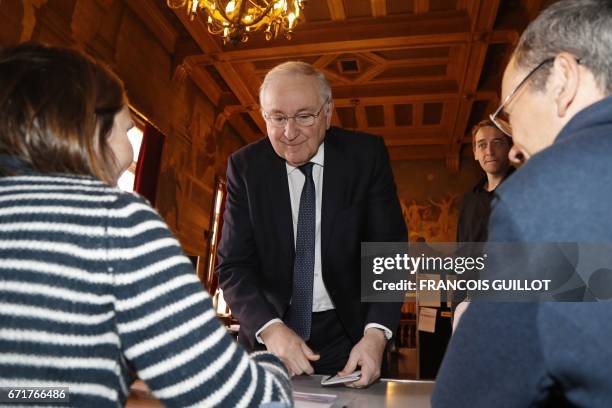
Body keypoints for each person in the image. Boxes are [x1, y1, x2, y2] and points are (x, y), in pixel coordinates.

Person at [0, 43, 292, 408]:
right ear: (90, 129)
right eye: (127, 130)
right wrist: (271, 358)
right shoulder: (115, 223)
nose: (131, 153)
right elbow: (249, 400)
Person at [433, 1, 612, 406]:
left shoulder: (545, 189)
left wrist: (475, 323)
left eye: (509, 112)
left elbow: (468, 397)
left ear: (563, 79)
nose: (514, 149)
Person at [216, 61, 407, 386]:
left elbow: (388, 253)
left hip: (348, 336)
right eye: (277, 118)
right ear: (264, 115)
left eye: (304, 116)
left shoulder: (366, 157)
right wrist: (271, 329)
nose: (289, 133)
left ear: (328, 111)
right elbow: (233, 266)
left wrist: (376, 334)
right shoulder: (245, 168)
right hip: (270, 333)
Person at [456, 119, 513, 243]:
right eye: (482, 145)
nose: (489, 152)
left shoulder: (527, 191)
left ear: (509, 148)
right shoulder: (468, 200)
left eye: (497, 143)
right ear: (475, 153)